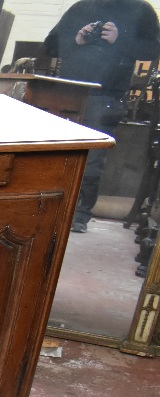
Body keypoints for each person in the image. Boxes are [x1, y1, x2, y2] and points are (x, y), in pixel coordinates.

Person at [44, 0, 160, 233]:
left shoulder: (140, 10)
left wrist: (121, 39)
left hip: (105, 95)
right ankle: (51, 210)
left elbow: (154, 49)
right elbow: (50, 45)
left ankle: (79, 215)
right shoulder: (80, 7)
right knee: (56, 153)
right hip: (68, 93)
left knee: (93, 159)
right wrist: (76, 39)